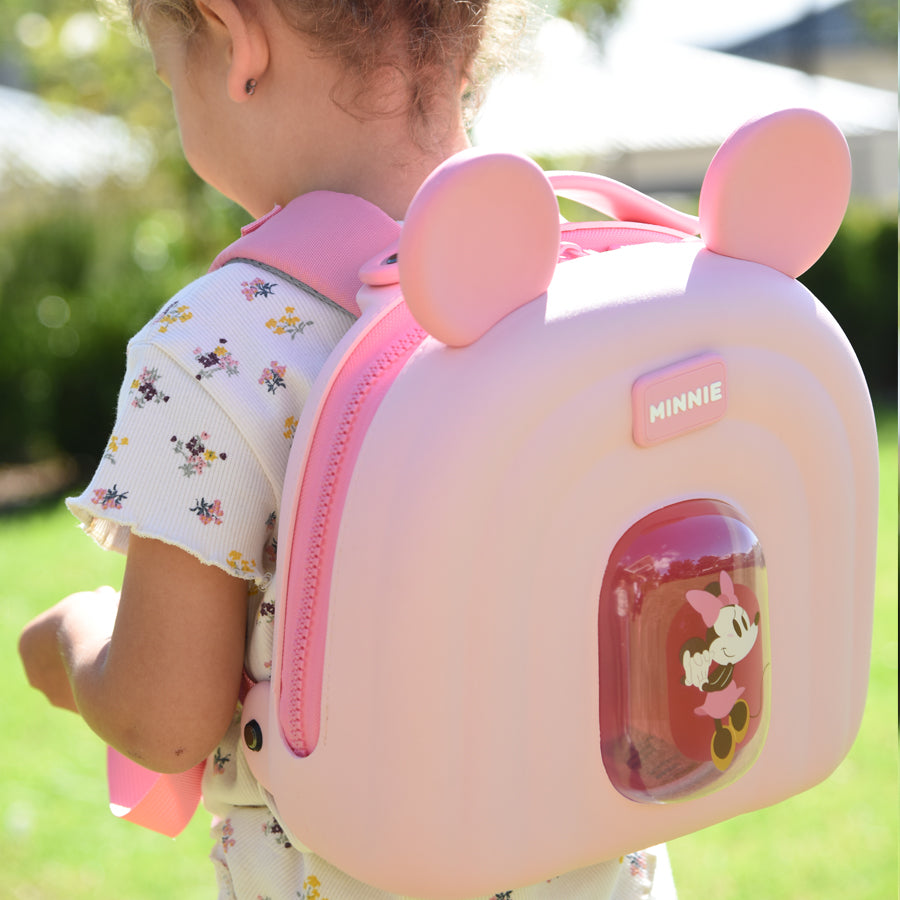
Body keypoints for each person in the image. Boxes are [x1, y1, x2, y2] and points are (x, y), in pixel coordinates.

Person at [18, 1, 677, 897]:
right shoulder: (591, 292)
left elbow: (164, 718)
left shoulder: (222, 345)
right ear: (468, 40)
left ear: (235, 39)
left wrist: (75, 639)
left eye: (169, 70)